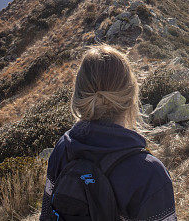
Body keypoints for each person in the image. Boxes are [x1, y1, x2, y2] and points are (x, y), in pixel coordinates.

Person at [40, 45, 176, 221]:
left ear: (78, 95)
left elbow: (46, 215)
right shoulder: (150, 174)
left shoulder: (63, 148)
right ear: (131, 96)